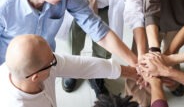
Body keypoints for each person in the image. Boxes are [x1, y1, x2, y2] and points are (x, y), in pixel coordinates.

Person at [0, 0, 138, 92]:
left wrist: (134, 62)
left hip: (46, 64)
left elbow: (95, 27)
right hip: (8, 70)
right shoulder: (4, 6)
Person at [58, 0, 147, 95]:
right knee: (74, 42)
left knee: (103, 49)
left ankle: (97, 75)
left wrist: (140, 56)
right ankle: (72, 71)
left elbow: (135, 9)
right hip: (76, 8)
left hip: (104, 8)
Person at [0, 34, 137, 107]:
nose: (56, 61)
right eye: (52, 61)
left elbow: (84, 66)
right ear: (35, 77)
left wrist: (134, 72)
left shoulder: (35, 64)